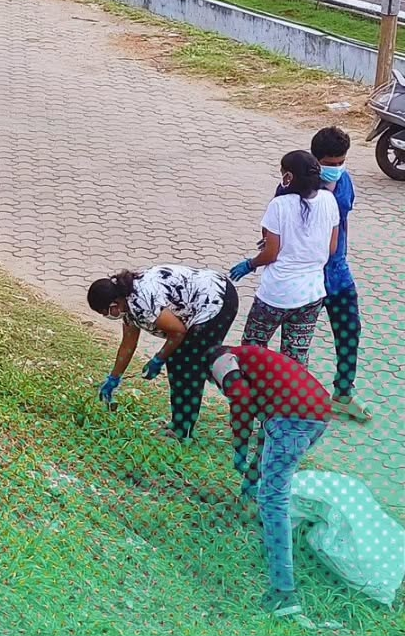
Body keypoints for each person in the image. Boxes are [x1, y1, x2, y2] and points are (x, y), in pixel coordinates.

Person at [207, 344, 331, 617]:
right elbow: (266, 427)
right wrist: (251, 476)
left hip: (294, 419)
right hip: (317, 414)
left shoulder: (222, 360)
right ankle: (267, 536)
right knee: (270, 490)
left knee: (274, 502)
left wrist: (239, 446)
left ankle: (284, 594)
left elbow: (240, 399)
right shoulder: (257, 364)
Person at [278, 128, 369, 421]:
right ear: (315, 160)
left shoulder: (344, 182)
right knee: (296, 343)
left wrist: (328, 190)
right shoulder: (291, 185)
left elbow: (340, 214)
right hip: (303, 277)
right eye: (330, 163)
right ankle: (292, 402)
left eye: (341, 162)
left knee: (349, 331)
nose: (336, 168)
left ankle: (343, 394)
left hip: (337, 275)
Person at [86, 266, 239, 439]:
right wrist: (114, 378)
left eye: (105, 312)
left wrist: (158, 359)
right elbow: (128, 344)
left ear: (114, 305)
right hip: (204, 299)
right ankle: (180, 422)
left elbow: (178, 332)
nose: (107, 316)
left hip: (216, 301)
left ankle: (183, 430)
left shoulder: (142, 301)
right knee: (179, 361)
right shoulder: (126, 303)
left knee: (188, 366)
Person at [231, 150, 339, 369]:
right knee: (296, 359)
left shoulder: (279, 206)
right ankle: (292, 399)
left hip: (276, 294)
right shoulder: (329, 200)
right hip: (312, 294)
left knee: (253, 348)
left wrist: (250, 264)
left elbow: (271, 253)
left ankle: (254, 396)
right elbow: (332, 248)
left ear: (288, 177)